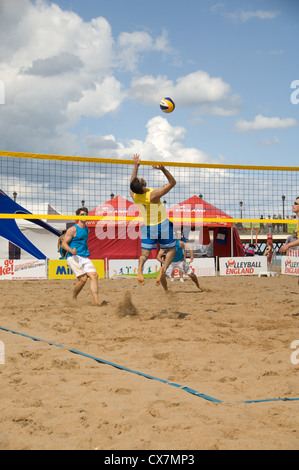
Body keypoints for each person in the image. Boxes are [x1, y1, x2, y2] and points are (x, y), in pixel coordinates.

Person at [130, 153, 177, 292]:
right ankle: (163, 270)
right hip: (162, 224)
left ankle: (140, 268)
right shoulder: (153, 195)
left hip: (148, 227)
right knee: (172, 250)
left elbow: (132, 183)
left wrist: (136, 166)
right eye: (142, 179)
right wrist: (163, 169)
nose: (142, 178)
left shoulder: (135, 196)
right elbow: (173, 183)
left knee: (144, 254)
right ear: (143, 185)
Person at [61, 207, 102, 306]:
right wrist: (71, 250)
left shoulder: (87, 229)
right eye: (82, 214)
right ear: (78, 217)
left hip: (84, 256)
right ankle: (74, 297)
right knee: (83, 279)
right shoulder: (72, 229)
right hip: (73, 257)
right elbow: (63, 244)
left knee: (94, 275)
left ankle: (95, 300)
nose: (85, 216)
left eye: (86, 214)